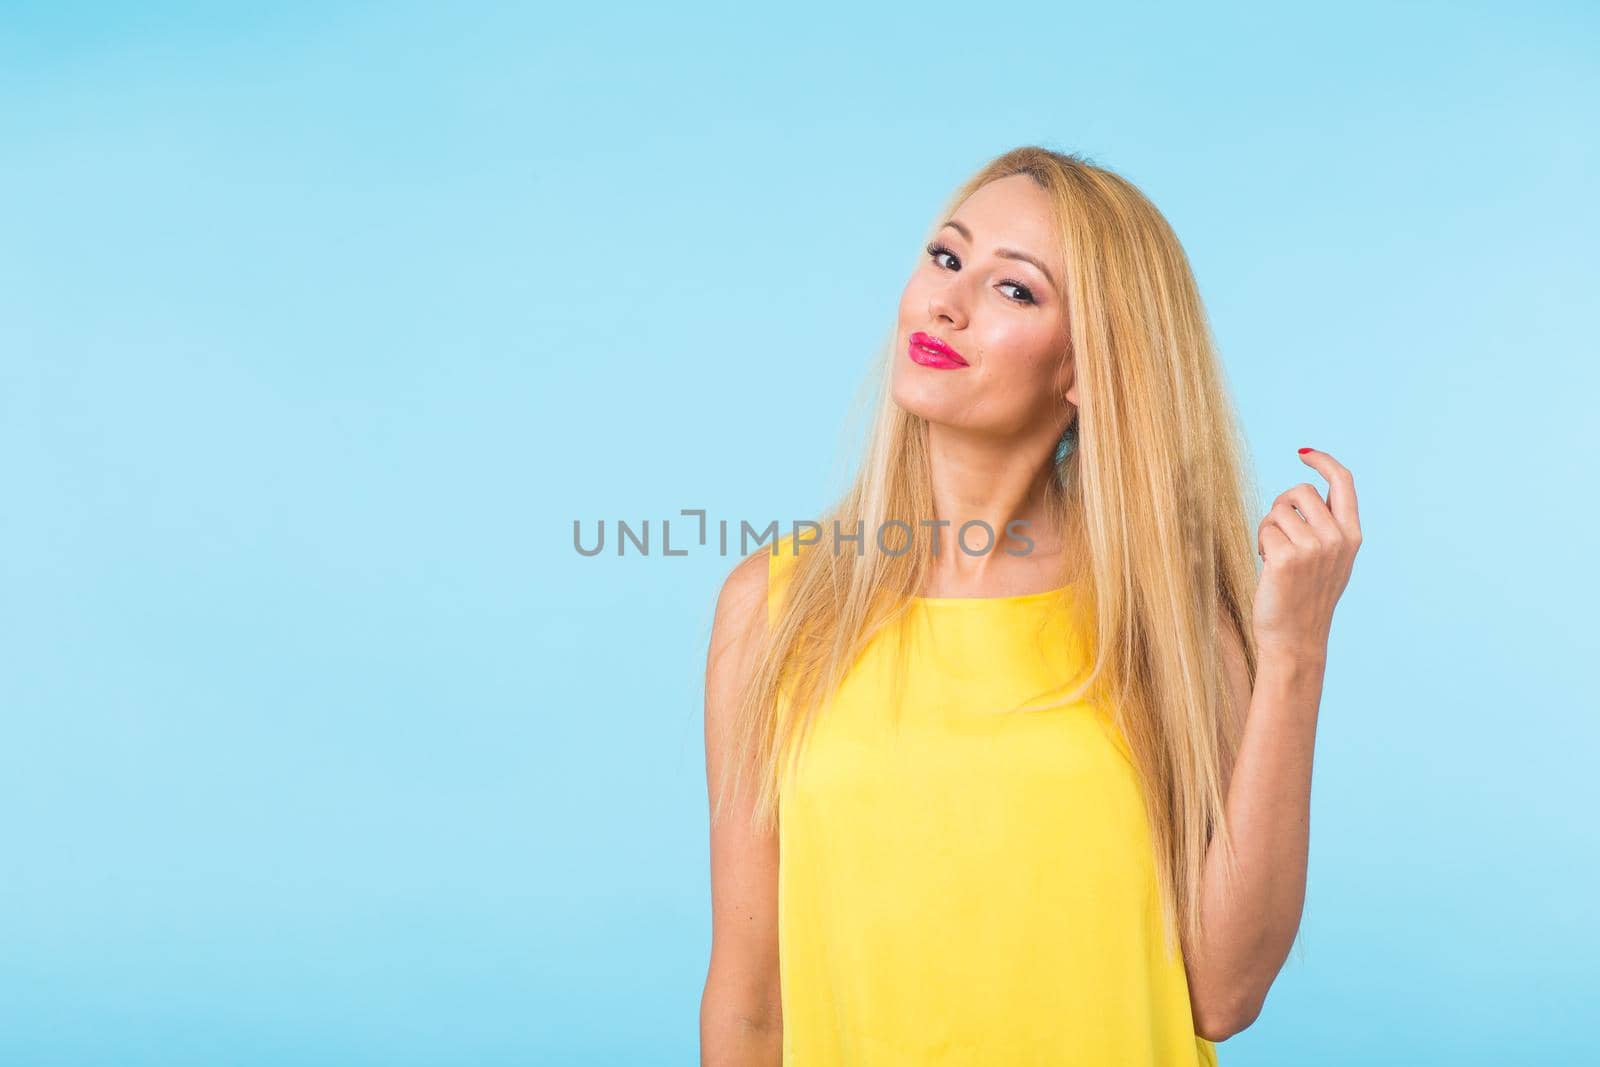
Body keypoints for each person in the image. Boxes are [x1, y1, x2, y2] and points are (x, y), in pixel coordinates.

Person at [699, 145, 1362, 1066]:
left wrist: (1294, 651)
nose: (946, 300)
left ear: (1086, 368)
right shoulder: (775, 608)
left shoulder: (1168, 618)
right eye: (945, 257)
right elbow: (749, 998)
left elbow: (1224, 990)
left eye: (1015, 291)